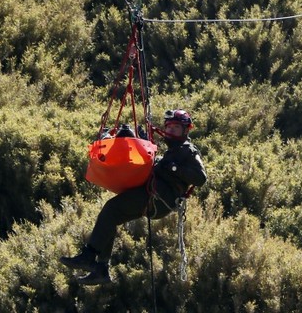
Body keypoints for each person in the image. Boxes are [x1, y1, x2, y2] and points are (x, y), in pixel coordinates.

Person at [60, 109, 207, 285]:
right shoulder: (172, 152)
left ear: (186, 130)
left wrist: (174, 168)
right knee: (111, 216)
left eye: (176, 128)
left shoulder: (188, 151)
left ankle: (88, 256)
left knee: (111, 209)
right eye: (169, 127)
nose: (170, 131)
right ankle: (101, 269)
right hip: (155, 196)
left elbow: (200, 177)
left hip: (160, 197)